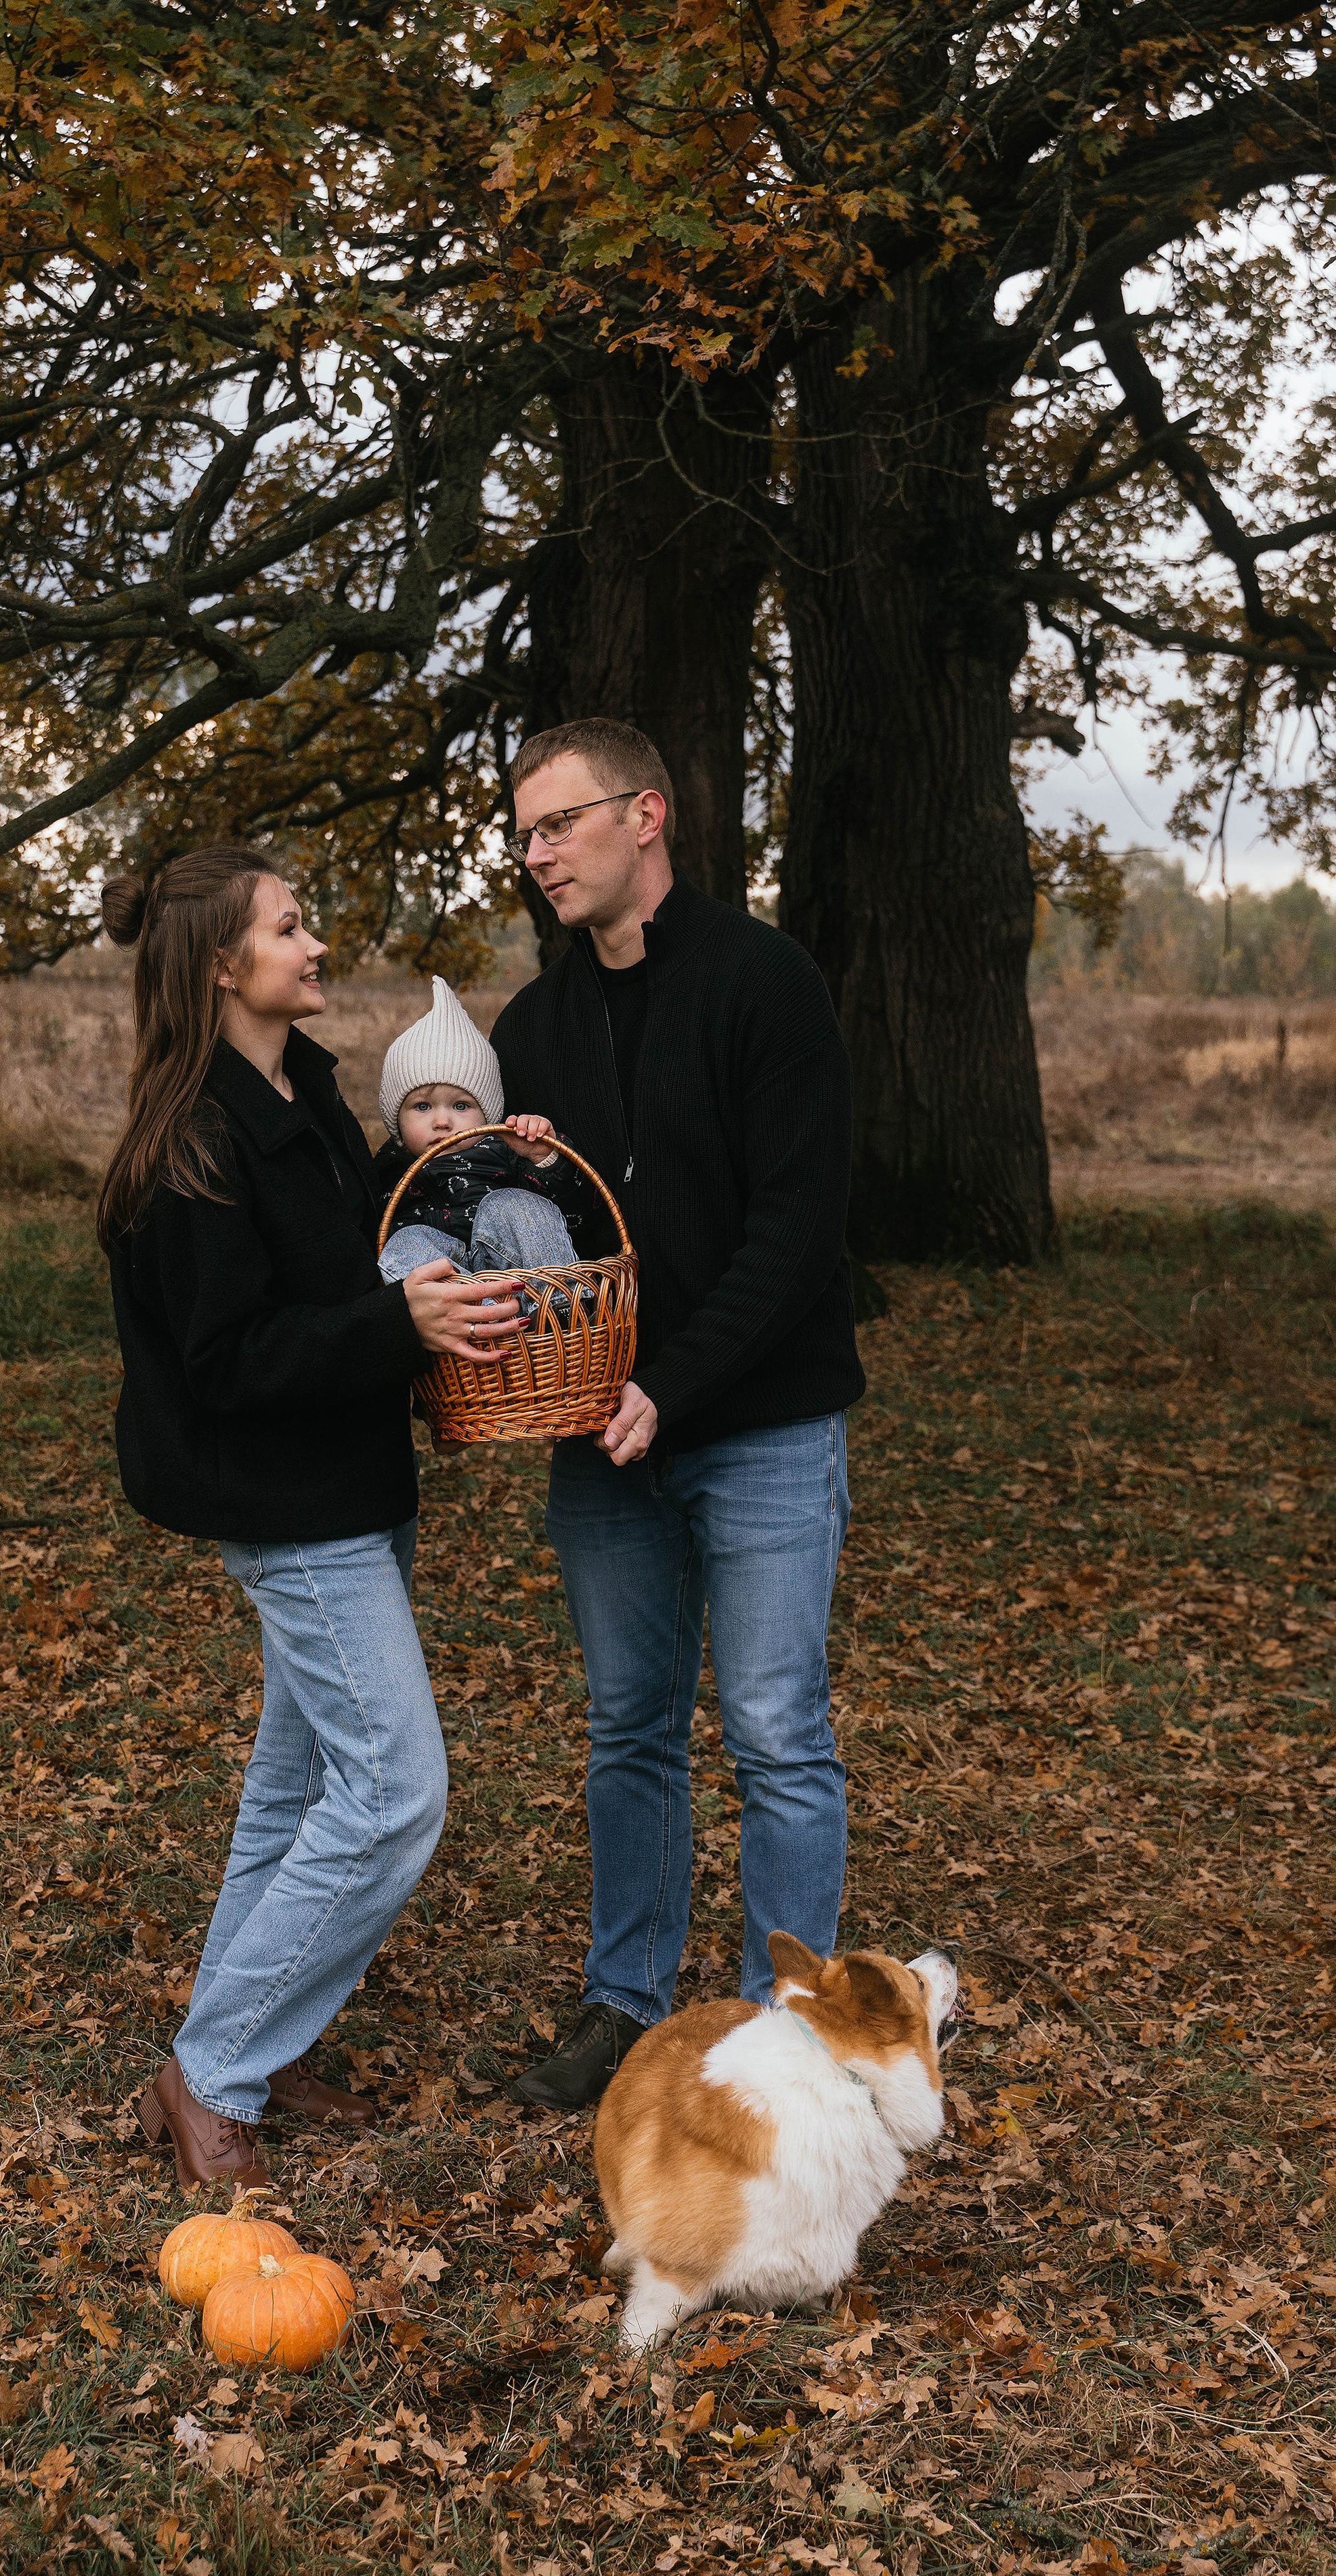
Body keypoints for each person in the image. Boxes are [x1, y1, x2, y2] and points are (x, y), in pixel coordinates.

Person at [98, 844, 527, 2187]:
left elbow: (369, 1254)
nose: (315, 944)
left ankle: (260, 2046)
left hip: (355, 1483)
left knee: (296, 1795)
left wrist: (490, 1158)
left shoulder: (305, 1090)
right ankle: (214, 2071)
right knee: (395, 1794)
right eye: (289, 928)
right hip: (289, 1509)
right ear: (226, 965)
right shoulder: (195, 1144)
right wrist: (397, 1324)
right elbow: (229, 1361)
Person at [490, 718, 866, 2110]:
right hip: (600, 1445)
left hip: (761, 1424)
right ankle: (625, 2007)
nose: (537, 856)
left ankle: (791, 2035)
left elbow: (797, 1229)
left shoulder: (764, 982)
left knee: (774, 1730)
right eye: (522, 837)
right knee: (630, 1728)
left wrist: (675, 1383)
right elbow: (507, 1232)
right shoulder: (533, 1028)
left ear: (643, 816)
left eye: (558, 825)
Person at [374, 975, 580, 1294]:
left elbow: (576, 1213)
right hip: (451, 1296)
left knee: (513, 1204)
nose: (443, 1122)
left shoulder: (505, 1150)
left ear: (487, 1116)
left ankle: (560, 1302)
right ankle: (486, 1316)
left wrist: (545, 1158)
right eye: (423, 1107)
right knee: (405, 1242)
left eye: (461, 1106)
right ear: (396, 1121)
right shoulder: (388, 1169)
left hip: (518, 1280)